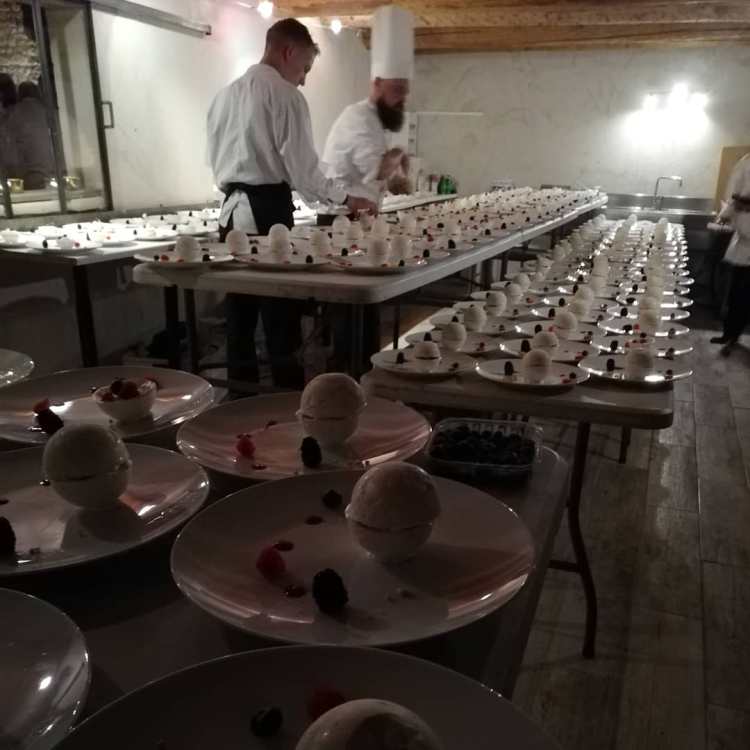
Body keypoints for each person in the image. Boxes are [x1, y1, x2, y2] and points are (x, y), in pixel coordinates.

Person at [206, 18, 376, 388]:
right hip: (267, 210)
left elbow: (214, 162)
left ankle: (240, 398)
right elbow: (304, 171)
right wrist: (348, 199)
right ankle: (286, 398)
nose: (303, 80)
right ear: (288, 52)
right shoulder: (285, 96)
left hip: (229, 215)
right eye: (305, 68)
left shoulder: (222, 97)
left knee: (238, 315)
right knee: (279, 312)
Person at [322, 77, 411, 208]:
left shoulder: (376, 120)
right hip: (343, 210)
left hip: (362, 210)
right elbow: (378, 170)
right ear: (377, 84)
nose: (403, 99)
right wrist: (399, 153)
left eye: (405, 93)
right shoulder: (359, 117)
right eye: (397, 90)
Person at [711, 153, 750, 356]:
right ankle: (729, 334)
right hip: (743, 241)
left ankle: (734, 336)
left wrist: (744, 204)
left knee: (744, 295)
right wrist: (728, 213)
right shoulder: (745, 161)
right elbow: (734, 196)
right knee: (735, 292)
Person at [5, 82, 55, 190]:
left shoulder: (15, 111)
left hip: (27, 169)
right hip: (48, 169)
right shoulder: (46, 110)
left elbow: (10, 141)